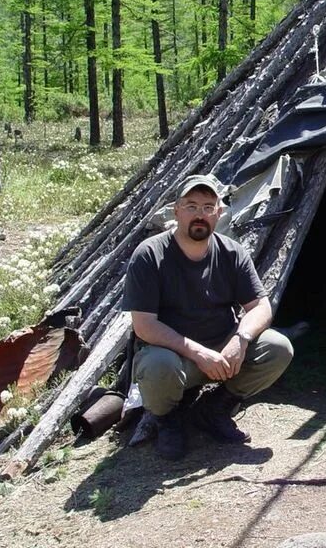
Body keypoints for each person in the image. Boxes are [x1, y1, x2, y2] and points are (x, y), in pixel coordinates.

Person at [123, 173, 293, 461]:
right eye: (191, 206)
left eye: (207, 207)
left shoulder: (231, 252)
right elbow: (144, 325)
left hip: (224, 352)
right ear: (176, 210)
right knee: (156, 365)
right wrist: (198, 352)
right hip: (174, 357)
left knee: (278, 348)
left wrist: (240, 339)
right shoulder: (149, 255)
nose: (199, 215)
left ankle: (215, 408)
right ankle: (168, 419)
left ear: (219, 212)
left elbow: (261, 306)